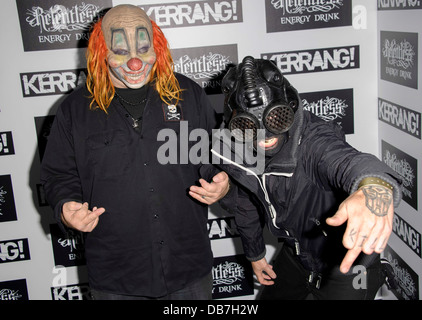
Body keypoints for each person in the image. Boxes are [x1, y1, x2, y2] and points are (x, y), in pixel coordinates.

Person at [40, 4, 229, 300]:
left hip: (188, 271)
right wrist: (65, 206)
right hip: (118, 279)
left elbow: (210, 156)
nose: (135, 63)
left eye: (143, 49)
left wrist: (221, 177)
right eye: (121, 51)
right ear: (101, 51)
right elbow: (58, 175)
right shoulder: (75, 110)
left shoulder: (187, 94)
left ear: (158, 47)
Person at [210, 56, 402, 300]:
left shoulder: (313, 141)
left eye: (275, 118)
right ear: (233, 123)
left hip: (349, 262)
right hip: (297, 253)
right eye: (248, 126)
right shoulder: (237, 147)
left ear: (289, 106)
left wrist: (374, 187)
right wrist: (255, 254)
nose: (264, 135)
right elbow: (246, 201)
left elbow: (347, 160)